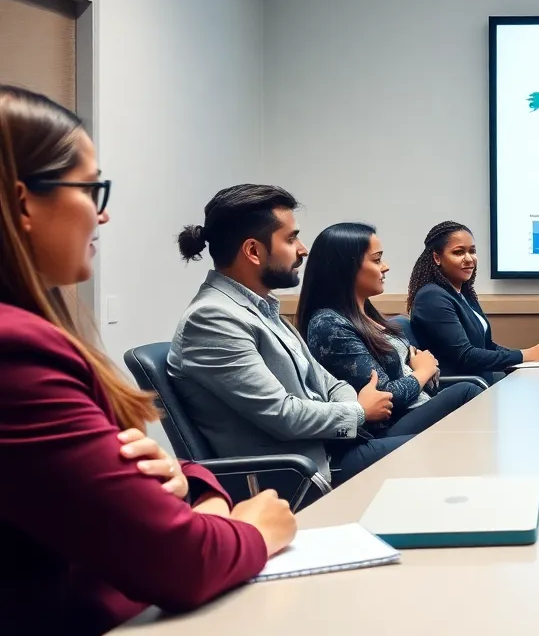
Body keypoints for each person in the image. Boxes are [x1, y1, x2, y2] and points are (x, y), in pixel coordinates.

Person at [0, 87, 295, 634]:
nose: (103, 214)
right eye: (91, 189)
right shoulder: (16, 354)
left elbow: (121, 492)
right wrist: (252, 529)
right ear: (22, 204)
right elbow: (177, 562)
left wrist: (192, 488)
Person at [168, 185, 409, 485]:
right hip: (298, 474)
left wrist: (354, 410)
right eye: (291, 238)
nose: (303, 249)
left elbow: (330, 383)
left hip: (332, 449)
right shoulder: (212, 319)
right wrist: (359, 411)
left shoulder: (261, 307)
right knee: (430, 452)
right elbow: (283, 415)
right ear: (254, 251)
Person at [297, 222, 482, 437]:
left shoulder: (367, 314)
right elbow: (384, 397)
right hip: (386, 430)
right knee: (467, 392)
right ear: (346, 268)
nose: (385, 267)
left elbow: (415, 378)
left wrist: (423, 370)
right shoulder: (329, 325)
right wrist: (423, 370)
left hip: (415, 410)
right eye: (376, 260)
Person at [408, 221, 539, 378]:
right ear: (437, 258)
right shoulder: (432, 297)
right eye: (459, 252)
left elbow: (487, 346)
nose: (469, 259)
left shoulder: (463, 293)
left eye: (472, 251)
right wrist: (526, 355)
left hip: (480, 378)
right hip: (462, 385)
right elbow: (465, 356)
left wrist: (531, 358)